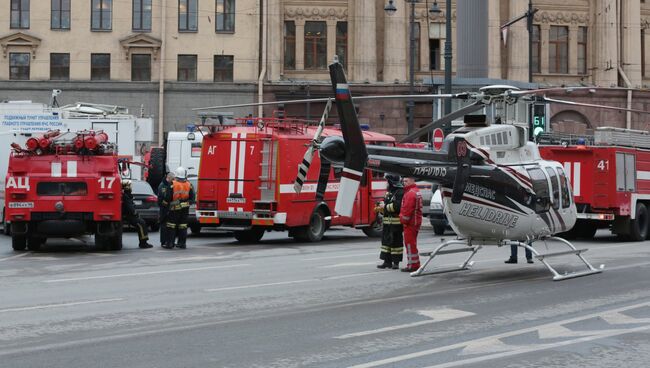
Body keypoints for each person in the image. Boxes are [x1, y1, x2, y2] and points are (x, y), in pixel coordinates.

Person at [376, 174, 404, 270]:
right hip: (387, 223)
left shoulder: (400, 192)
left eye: (387, 181)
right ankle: (387, 262)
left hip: (396, 224)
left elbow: (397, 207)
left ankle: (395, 263)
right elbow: (386, 202)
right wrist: (380, 205)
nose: (386, 183)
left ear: (392, 182)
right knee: (386, 243)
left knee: (396, 243)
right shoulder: (389, 192)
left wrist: (385, 206)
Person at [163, 167, 195, 249]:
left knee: (171, 226)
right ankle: (182, 244)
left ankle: (170, 243)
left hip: (174, 208)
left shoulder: (172, 184)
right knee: (183, 226)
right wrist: (186, 203)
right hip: (185, 209)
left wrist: (167, 205)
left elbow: (167, 197)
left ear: (176, 174)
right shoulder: (189, 184)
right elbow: (192, 198)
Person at [399, 176, 423, 272]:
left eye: (406, 181)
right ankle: (414, 263)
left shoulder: (410, 193)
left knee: (410, 244)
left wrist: (402, 220)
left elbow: (407, 210)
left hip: (410, 224)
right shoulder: (416, 191)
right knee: (412, 244)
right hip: (415, 222)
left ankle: (413, 265)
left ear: (412, 181)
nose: (404, 183)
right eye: (404, 181)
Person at [121, 180, 153, 249]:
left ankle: (144, 242)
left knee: (142, 222)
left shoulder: (127, 195)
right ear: (127, 187)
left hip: (130, 215)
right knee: (141, 224)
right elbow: (129, 207)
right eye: (130, 186)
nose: (131, 187)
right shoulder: (125, 196)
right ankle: (143, 243)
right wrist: (135, 213)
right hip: (128, 216)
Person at [157, 171, 175, 247]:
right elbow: (161, 199)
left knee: (170, 226)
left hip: (170, 208)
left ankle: (169, 241)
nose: (173, 181)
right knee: (164, 226)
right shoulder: (162, 185)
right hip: (164, 208)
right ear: (169, 178)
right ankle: (163, 241)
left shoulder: (171, 184)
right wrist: (167, 205)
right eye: (172, 179)